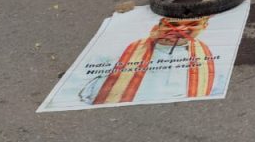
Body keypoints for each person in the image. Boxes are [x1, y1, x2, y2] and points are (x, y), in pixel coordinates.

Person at [81, 17, 218, 104]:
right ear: (159, 25)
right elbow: (82, 87)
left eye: (193, 24)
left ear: (204, 26)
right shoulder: (118, 50)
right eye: (173, 24)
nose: (180, 30)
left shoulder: (208, 54)